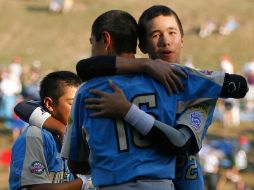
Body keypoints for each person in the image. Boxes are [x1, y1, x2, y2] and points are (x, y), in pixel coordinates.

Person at [14, 6, 248, 190]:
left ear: (183, 38)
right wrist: (147, 66)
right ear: (142, 45)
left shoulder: (194, 87)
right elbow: (84, 67)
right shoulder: (182, 80)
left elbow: (179, 143)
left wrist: (127, 110)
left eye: (172, 32)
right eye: (156, 35)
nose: (166, 41)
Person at [9, 71, 89, 190]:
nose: (80, 110)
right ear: (49, 104)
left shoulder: (81, 134)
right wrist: (84, 182)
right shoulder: (35, 136)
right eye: (72, 104)